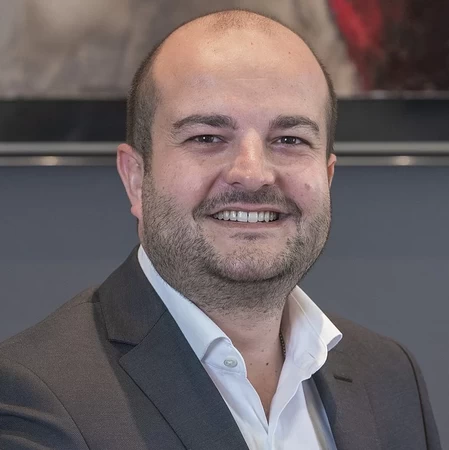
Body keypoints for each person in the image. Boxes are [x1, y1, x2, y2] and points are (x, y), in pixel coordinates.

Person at [0, 10, 441, 450]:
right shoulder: (34, 397)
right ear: (136, 178)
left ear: (327, 177)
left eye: (290, 140)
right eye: (206, 137)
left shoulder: (389, 377)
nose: (252, 174)